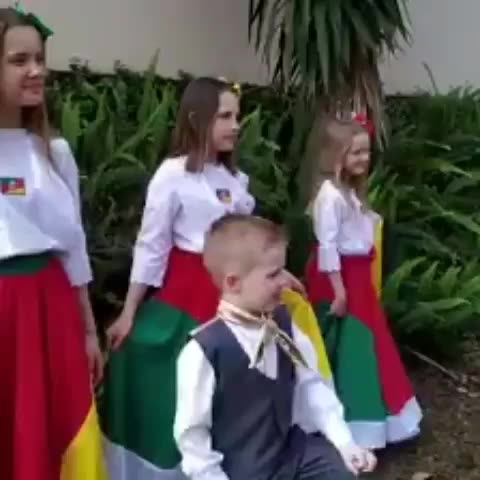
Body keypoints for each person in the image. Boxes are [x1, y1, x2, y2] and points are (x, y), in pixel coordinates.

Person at [101, 77, 329, 479]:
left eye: (236, 116)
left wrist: (279, 274)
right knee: (186, 384)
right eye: (224, 116)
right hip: (187, 296)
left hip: (236, 293)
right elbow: (151, 246)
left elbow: (250, 247)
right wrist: (130, 311)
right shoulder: (172, 175)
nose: (235, 125)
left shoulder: (234, 181)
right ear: (196, 118)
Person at [175, 214, 377, 480]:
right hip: (243, 471)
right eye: (273, 274)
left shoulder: (284, 323)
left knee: (339, 472)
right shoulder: (204, 350)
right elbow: (193, 437)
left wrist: (345, 443)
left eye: (282, 269)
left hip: (293, 454)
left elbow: (311, 385)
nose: (284, 280)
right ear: (233, 283)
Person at [0, 6, 106, 480]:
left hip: (50, 307)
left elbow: (73, 246)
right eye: (19, 60)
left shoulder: (53, 152)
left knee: (49, 432)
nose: (36, 71)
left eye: (40, 59)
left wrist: (88, 331)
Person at [304, 116, 423, 449]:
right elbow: (327, 246)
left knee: (367, 342)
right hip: (339, 279)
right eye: (355, 153)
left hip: (357, 277)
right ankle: (348, 421)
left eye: (366, 152)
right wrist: (339, 291)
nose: (363, 159)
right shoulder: (330, 196)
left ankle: (373, 421)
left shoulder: (350, 193)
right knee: (351, 345)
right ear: (335, 155)